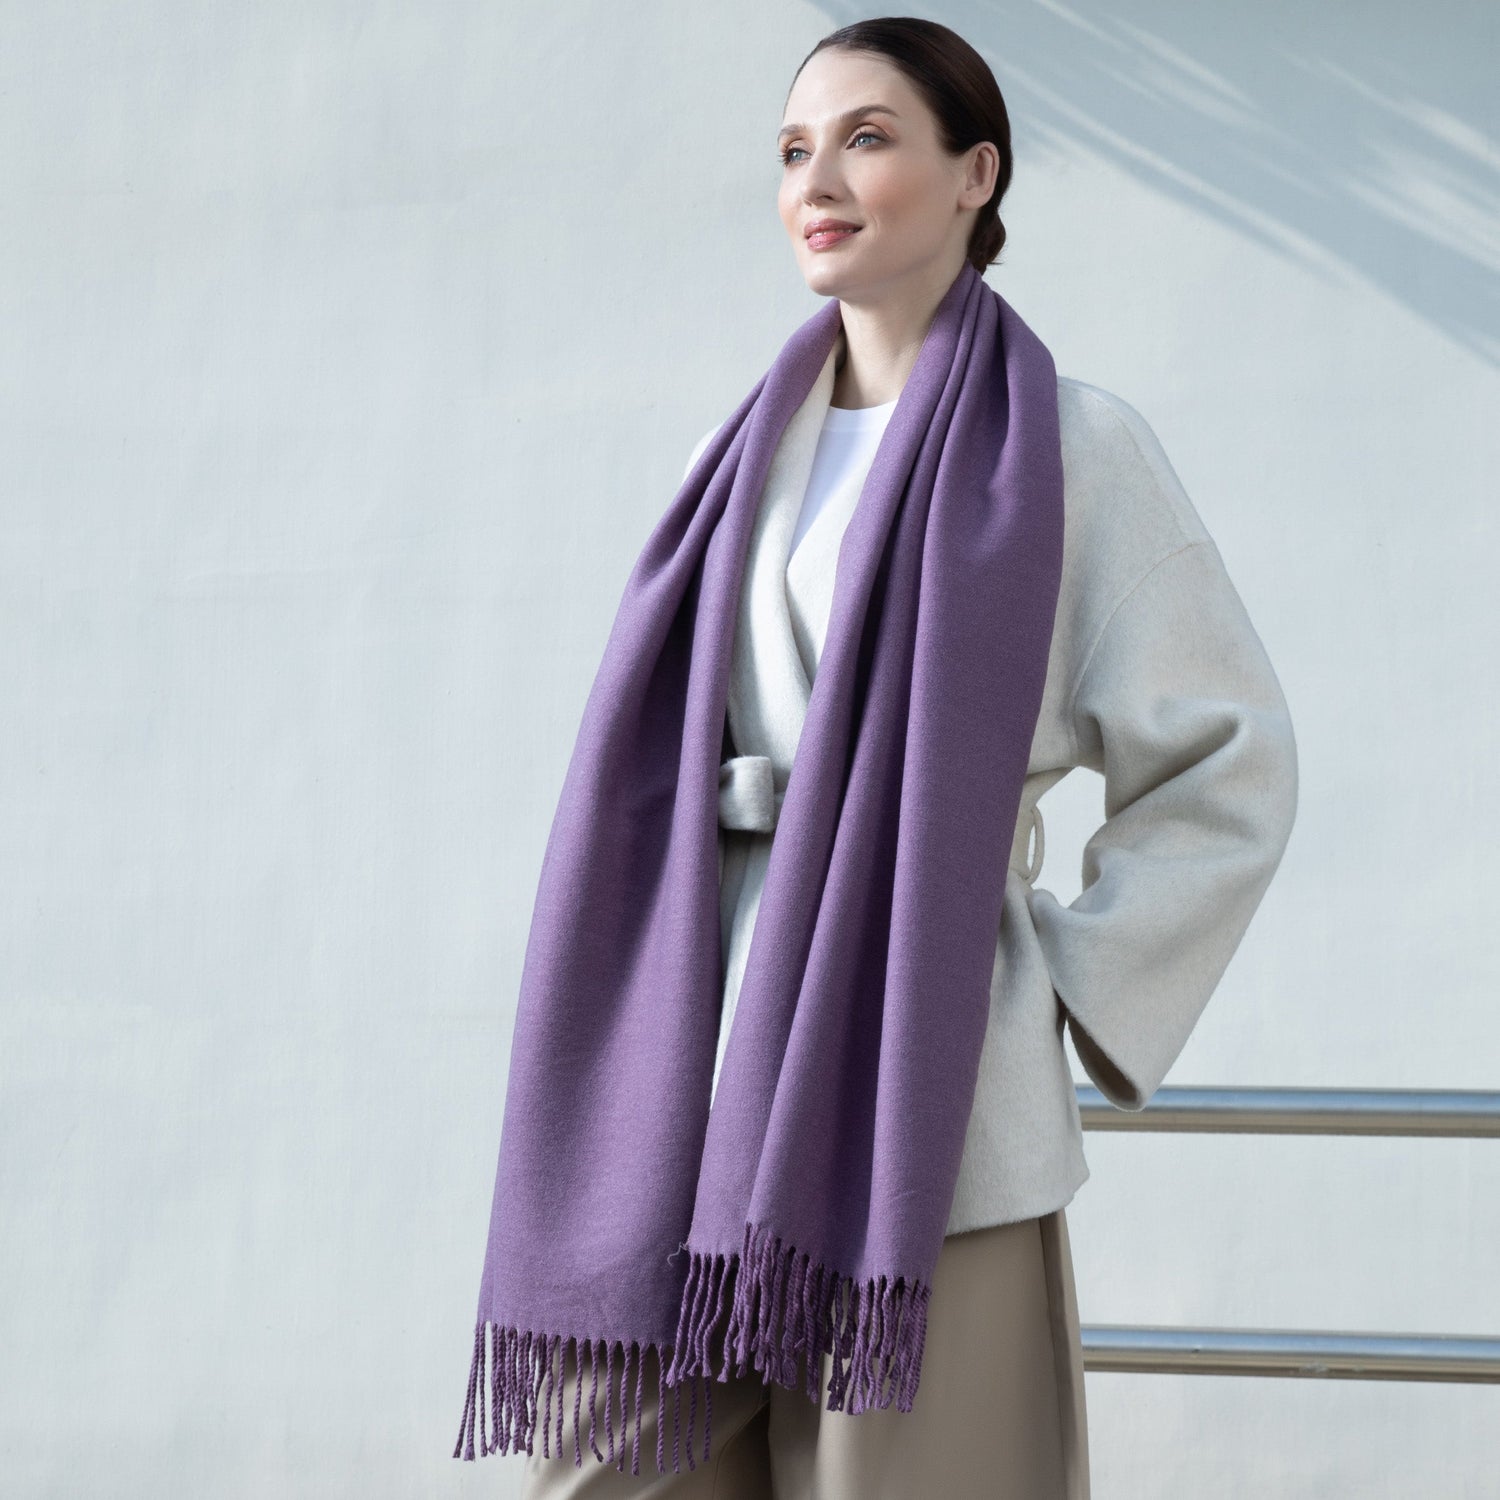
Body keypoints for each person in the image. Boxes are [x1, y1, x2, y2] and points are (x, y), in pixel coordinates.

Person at [517, 17, 1298, 1498]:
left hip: (920, 1092)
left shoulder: (1069, 451)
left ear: (972, 174)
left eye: (868, 138)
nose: (819, 178)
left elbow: (1227, 762)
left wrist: (1044, 988)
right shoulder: (738, 457)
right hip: (699, 1063)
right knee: (610, 1474)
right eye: (796, 149)